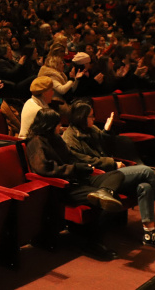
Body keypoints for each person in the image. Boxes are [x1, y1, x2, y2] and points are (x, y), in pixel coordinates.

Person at [63, 100, 155, 247]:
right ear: (81, 118)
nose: (94, 118)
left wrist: (107, 131)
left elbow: (107, 147)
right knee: (145, 170)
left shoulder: (91, 129)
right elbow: (85, 161)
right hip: (95, 177)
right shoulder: (69, 138)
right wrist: (112, 163)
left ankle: (150, 234)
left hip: (110, 174)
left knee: (145, 187)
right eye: (91, 116)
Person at [25, 108, 127, 259]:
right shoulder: (36, 142)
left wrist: (85, 167)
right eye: (58, 124)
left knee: (117, 176)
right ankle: (93, 244)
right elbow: (46, 169)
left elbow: (71, 157)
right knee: (98, 200)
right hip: (62, 187)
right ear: (49, 125)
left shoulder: (56, 138)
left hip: (76, 180)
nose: (60, 127)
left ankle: (105, 193)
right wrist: (75, 169)